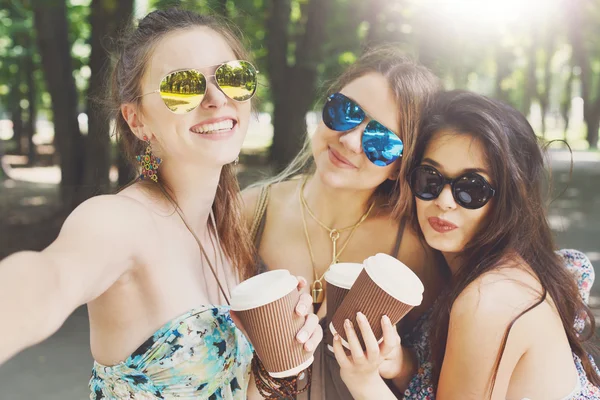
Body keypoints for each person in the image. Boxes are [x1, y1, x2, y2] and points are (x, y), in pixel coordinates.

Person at [0, 8, 321, 399]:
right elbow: (46, 281)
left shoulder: (227, 234)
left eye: (232, 77)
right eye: (182, 87)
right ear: (137, 121)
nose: (217, 98)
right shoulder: (119, 220)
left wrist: (281, 360)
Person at [332, 90, 600, 399]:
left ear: (511, 199)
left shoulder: (489, 300)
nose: (444, 202)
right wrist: (401, 365)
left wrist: (363, 381)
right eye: (429, 179)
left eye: (471, 189)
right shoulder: (484, 268)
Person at [242, 47, 444, 399]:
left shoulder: (415, 249)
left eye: (381, 140)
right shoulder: (249, 211)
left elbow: (430, 377)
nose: (350, 141)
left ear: (400, 165)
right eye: (344, 112)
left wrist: (396, 360)